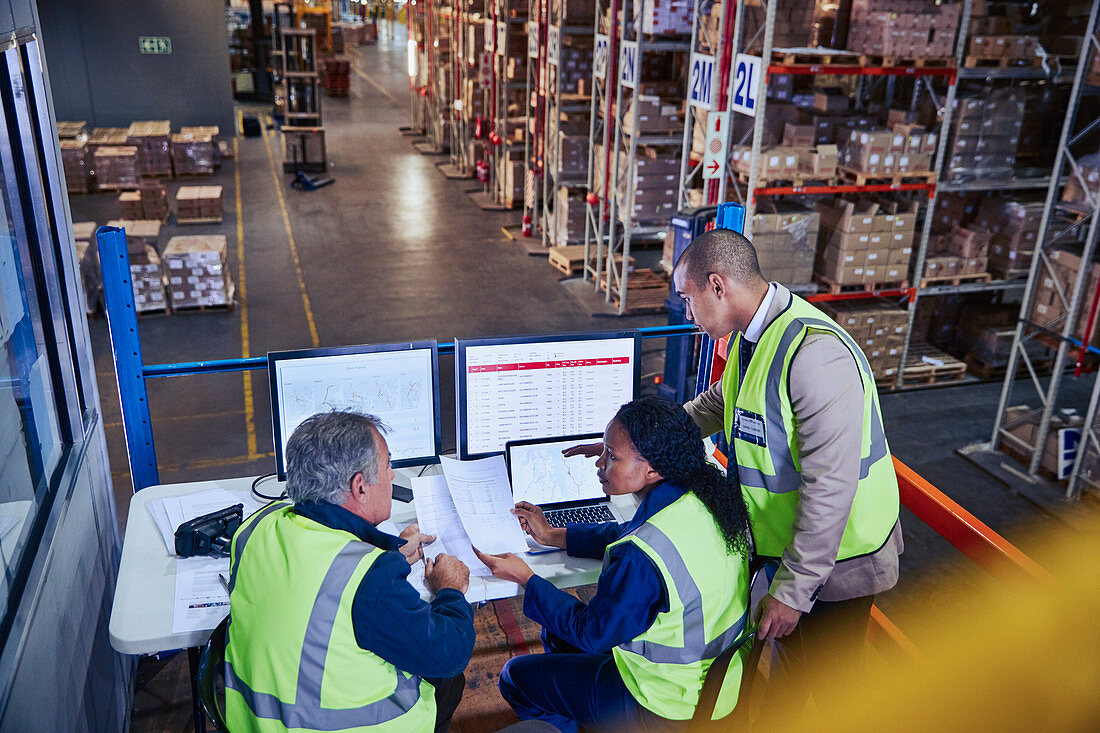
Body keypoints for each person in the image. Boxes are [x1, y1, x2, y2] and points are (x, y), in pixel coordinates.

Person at [673, 227, 902, 678]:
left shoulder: (815, 354)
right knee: (793, 683)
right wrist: (641, 437)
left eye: (687, 298)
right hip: (791, 552)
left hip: (837, 565)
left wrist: (793, 592)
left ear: (717, 285)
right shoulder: (752, 336)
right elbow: (723, 400)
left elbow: (830, 488)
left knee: (827, 696)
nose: (686, 313)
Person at [474, 396, 754, 732]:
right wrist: (552, 536)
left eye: (612, 456)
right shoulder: (702, 498)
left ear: (652, 468)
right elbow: (627, 532)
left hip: (662, 703)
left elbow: (593, 634)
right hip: (717, 687)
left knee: (514, 676)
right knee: (555, 630)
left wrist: (527, 579)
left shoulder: (642, 553)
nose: (599, 463)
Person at [224, 410, 475, 732]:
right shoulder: (369, 580)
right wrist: (451, 591)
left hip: (254, 722)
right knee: (448, 677)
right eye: (388, 466)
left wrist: (391, 554)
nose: (393, 476)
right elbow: (448, 653)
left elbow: (323, 564)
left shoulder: (259, 525)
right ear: (360, 486)